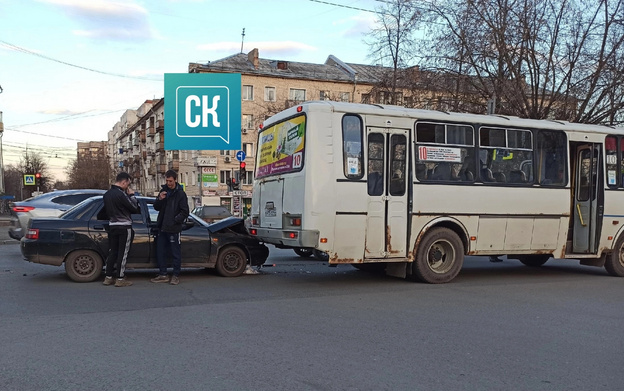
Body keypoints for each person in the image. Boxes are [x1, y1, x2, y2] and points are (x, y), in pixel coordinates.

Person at [150, 170, 189, 285]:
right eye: (167, 181)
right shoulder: (164, 191)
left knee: (175, 253)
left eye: (170, 181)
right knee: (160, 251)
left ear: (175, 180)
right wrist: (159, 199)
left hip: (174, 228)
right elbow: (156, 207)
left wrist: (175, 221)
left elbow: (185, 211)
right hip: (162, 227)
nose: (168, 183)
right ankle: (163, 274)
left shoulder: (180, 194)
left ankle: (176, 275)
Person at [102, 172, 140, 287]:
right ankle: (120, 278)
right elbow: (134, 208)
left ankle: (108, 277)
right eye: (127, 184)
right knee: (123, 253)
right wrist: (132, 196)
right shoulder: (121, 194)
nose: (127, 187)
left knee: (112, 251)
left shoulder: (107, 194)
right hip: (124, 227)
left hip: (112, 226)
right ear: (124, 182)